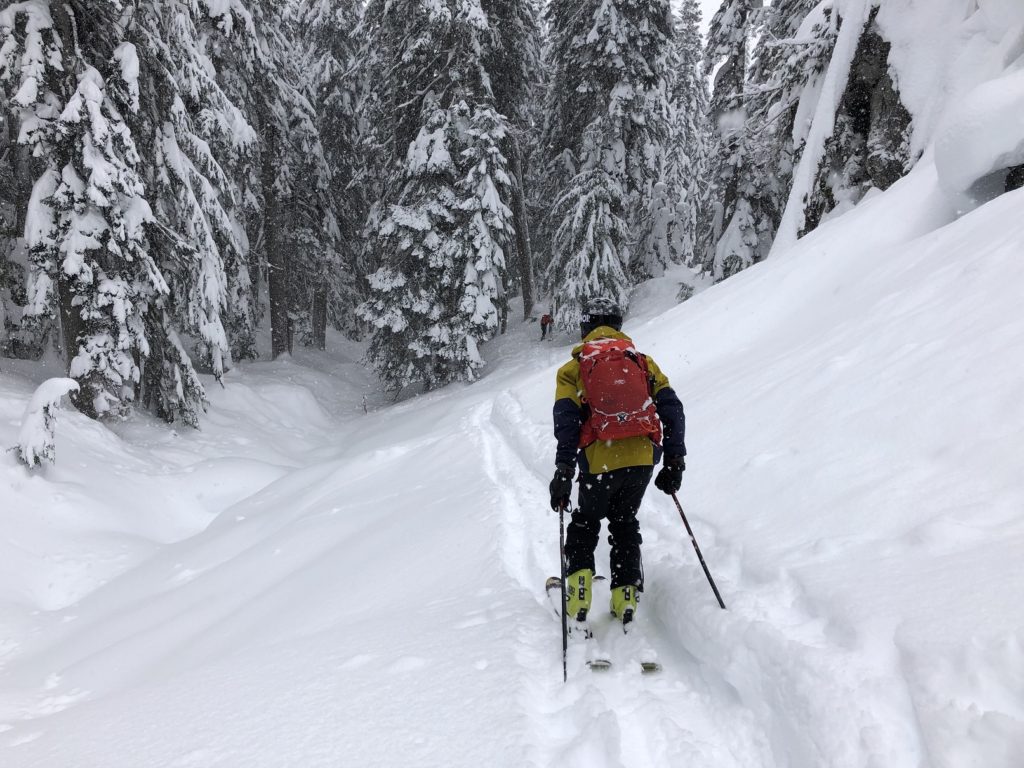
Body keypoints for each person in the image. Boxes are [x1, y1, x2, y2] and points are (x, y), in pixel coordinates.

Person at [548, 297, 686, 626]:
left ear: (586, 327)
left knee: (585, 521)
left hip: (600, 460)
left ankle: (579, 591)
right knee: (624, 521)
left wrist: (564, 470)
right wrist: (674, 459)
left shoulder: (573, 368)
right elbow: (672, 408)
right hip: (641, 459)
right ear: (617, 325)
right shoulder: (642, 361)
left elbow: (566, 422)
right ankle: (625, 594)